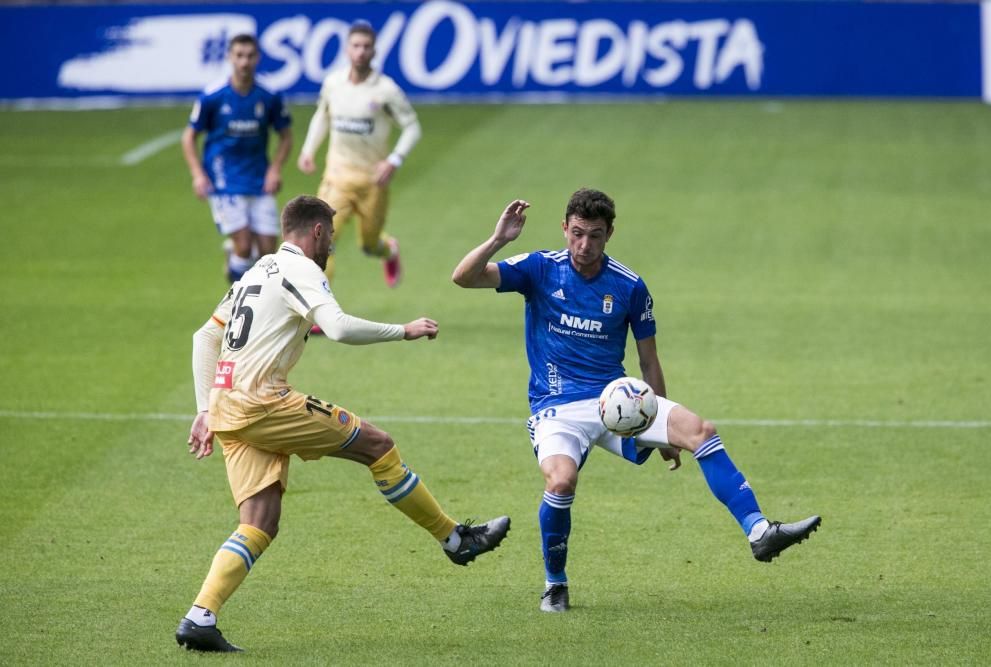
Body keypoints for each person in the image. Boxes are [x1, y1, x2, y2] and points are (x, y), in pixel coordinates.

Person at [451, 189, 820, 613]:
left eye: (594, 235)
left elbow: (649, 359)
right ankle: (555, 584)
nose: (584, 246)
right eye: (576, 234)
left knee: (700, 431)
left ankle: (759, 532)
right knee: (560, 482)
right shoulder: (539, 268)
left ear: (609, 233)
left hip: (618, 401)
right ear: (564, 229)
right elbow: (464, 278)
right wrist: (499, 240)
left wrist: (662, 428)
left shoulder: (629, 286)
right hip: (556, 407)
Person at [176, 195, 510, 652]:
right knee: (378, 445)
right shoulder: (303, 270)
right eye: (331, 234)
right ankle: (455, 539)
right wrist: (403, 330)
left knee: (259, 521)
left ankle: (199, 617)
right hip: (262, 403)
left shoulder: (256, 271)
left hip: (228, 408)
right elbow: (336, 327)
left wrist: (203, 409)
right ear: (316, 231)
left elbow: (206, 335)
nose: (332, 243)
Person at [297, 21, 420, 288]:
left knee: (369, 244)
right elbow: (322, 116)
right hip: (337, 177)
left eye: (366, 47)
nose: (361, 52)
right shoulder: (333, 84)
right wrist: (308, 149)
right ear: (347, 50)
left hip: (372, 181)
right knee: (321, 241)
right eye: (356, 46)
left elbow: (412, 127)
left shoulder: (386, 90)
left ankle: (389, 250)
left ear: (374, 51)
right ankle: (320, 306)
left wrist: (394, 159)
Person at [181, 33, 293, 283]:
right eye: (239, 56)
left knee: (268, 255)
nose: (244, 62)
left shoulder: (269, 95)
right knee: (244, 246)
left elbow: (286, 136)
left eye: (250, 56)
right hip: (224, 180)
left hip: (259, 178)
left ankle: (241, 269)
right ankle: (237, 308)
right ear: (229, 57)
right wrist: (198, 175)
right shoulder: (213, 95)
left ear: (258, 58)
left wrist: (274, 170)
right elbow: (189, 137)